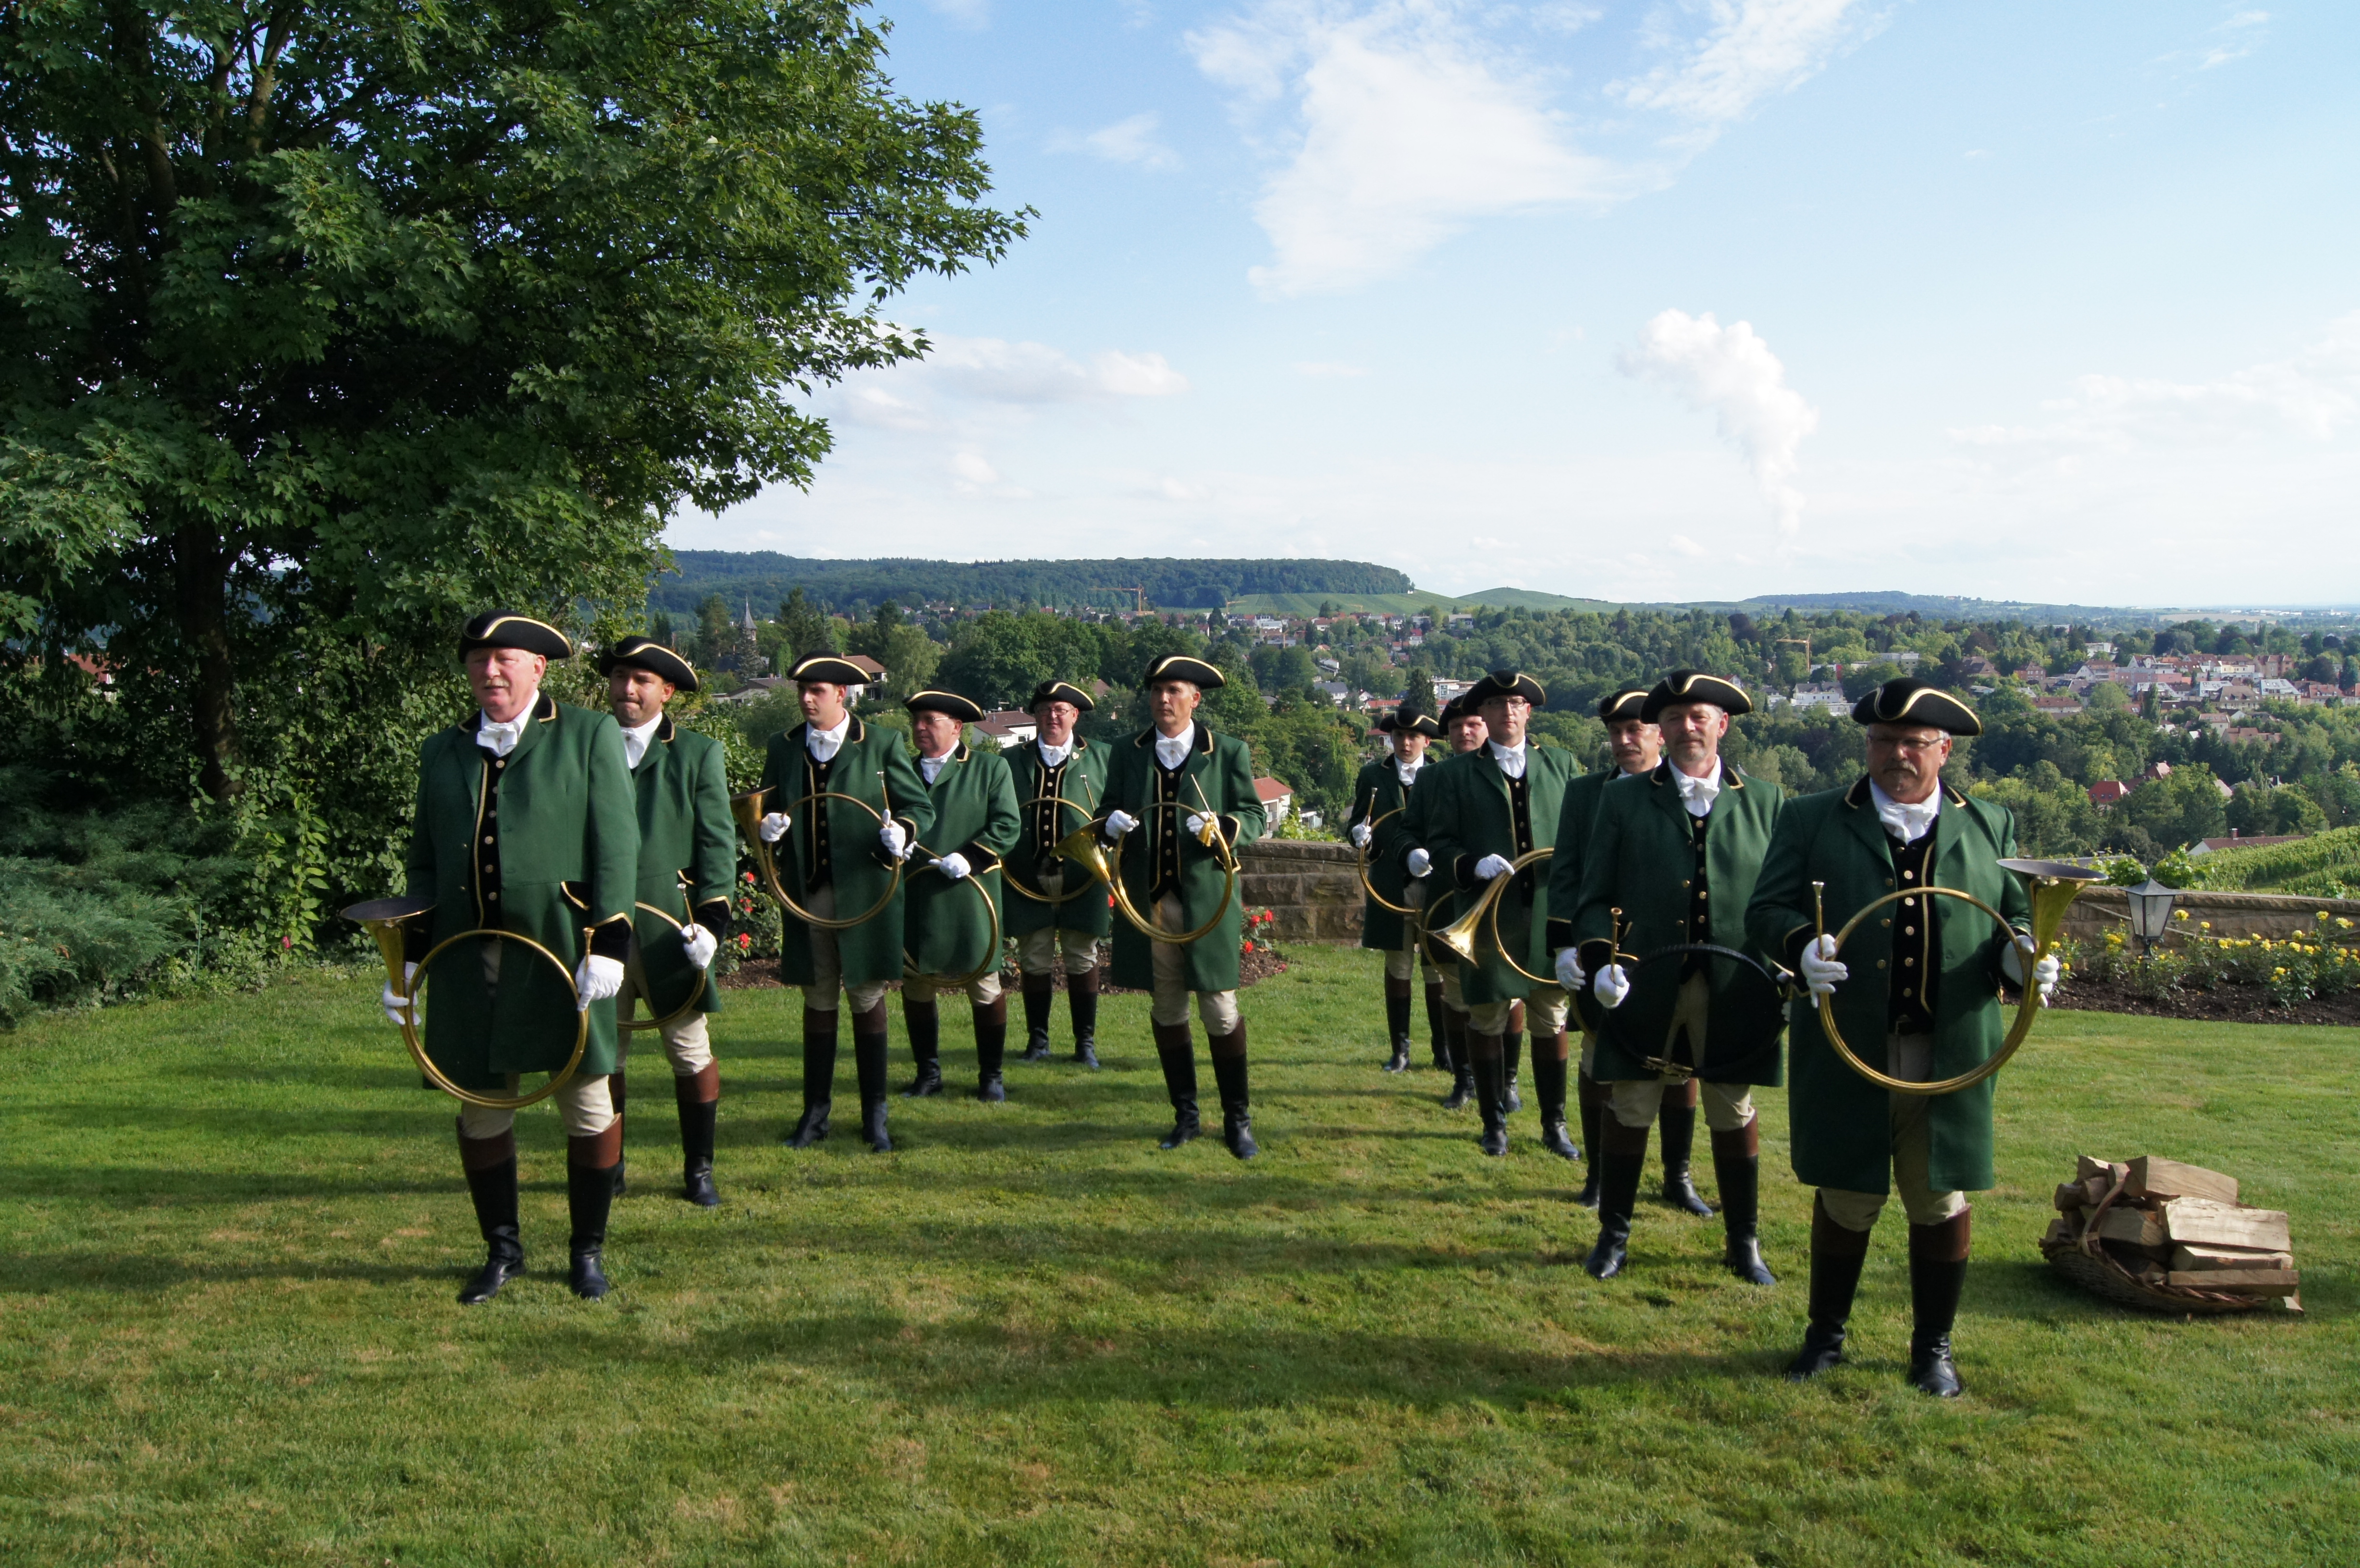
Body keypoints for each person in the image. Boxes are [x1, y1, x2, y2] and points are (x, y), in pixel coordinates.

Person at [1748, 677, 2055, 1397]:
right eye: (1884, 742)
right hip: (1846, 1039)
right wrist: (1803, 950)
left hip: (1949, 1049)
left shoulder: (1990, 826)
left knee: (1938, 1197)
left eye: (1914, 743)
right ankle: (1825, 1339)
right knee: (1849, 1193)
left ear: (1944, 751)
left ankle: (1933, 1350)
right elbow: (1766, 911)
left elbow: (2012, 919)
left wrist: (2022, 958)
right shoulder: (1812, 818)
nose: (1897, 756)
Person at [386, 611, 636, 1302]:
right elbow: (426, 865)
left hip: (563, 955)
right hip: (468, 962)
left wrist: (610, 941)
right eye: (477, 661)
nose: (489, 672)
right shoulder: (443, 750)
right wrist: (408, 960)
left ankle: (587, 1251)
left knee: (589, 1107)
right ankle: (503, 1251)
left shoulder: (586, 736)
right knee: (480, 1109)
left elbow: (616, 845)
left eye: (504, 660)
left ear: (538, 668)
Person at [1571, 671, 1786, 1285]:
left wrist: (1788, 966)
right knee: (1631, 1102)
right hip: (1644, 982)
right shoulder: (1622, 799)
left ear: (1722, 725)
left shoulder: (1767, 802)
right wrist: (1599, 958)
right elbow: (1593, 897)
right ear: (1660, 730)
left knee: (1732, 1107)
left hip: (1736, 985)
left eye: (1699, 716)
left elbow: (1780, 901)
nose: (1686, 727)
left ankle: (1742, 1242)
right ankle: (1613, 1235)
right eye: (1673, 718)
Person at [756, 656, 933, 1152]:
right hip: (807, 894)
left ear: (843, 694)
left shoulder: (880, 744)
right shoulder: (784, 747)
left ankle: (875, 1113)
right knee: (818, 999)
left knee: (867, 997)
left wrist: (902, 831)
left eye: (817, 691)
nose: (807, 700)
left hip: (865, 895)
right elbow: (766, 806)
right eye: (802, 691)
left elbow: (917, 806)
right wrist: (766, 827)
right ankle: (815, 1112)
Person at [1098, 654, 1267, 1157]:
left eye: (1174, 691)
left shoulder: (1227, 752)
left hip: (1207, 901)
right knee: (1167, 1007)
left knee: (1219, 1008)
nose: (1163, 699)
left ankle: (1238, 1120)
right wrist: (1109, 823)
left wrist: (1224, 829)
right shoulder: (1128, 752)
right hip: (1146, 902)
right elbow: (1109, 805)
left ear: (1195, 699)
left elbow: (1254, 816)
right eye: (1156, 691)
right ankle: (1186, 1116)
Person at [1410, 671, 1583, 1158]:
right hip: (1485, 918)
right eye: (1496, 704)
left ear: (1528, 712)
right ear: (1480, 715)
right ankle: (1494, 1124)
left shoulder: (1562, 765)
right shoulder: (1451, 776)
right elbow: (1439, 842)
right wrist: (1468, 864)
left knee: (1550, 1020)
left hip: (1548, 914)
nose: (1507, 711)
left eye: (1516, 703)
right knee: (1485, 1019)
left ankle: (1555, 1126)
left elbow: (1578, 840)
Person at [1545, 687, 1701, 1203]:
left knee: (1682, 1066)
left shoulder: (1692, 791)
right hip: (1603, 955)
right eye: (1615, 732)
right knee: (1598, 1060)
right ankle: (1598, 1175)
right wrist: (1565, 947)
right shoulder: (1588, 793)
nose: (1623, 740)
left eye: (1634, 730)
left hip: (1674, 955)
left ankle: (1677, 1178)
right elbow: (1567, 875)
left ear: (1660, 733)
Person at [599, 635, 733, 1208]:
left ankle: (698, 1169)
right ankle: (609, 1166)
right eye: (620, 678)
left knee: (689, 1050)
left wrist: (711, 922)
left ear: (667, 691)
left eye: (643, 681)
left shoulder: (698, 753)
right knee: (605, 1055)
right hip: (596, 928)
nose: (627, 690)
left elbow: (717, 847)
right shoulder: (585, 745)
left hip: (669, 929)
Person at [898, 689, 1021, 1101]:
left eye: (929, 720)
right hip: (915, 896)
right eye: (916, 720)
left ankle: (991, 1076)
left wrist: (970, 856)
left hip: (971, 896)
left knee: (983, 985)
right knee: (916, 985)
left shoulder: (990, 768)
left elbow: (1007, 825)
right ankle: (928, 1074)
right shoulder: (900, 770)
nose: (919, 728)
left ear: (957, 727)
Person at [1004, 680, 1113, 1066]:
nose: (1053, 716)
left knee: (1082, 957)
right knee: (1034, 958)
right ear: (1035, 715)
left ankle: (1085, 1043)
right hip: (1026, 876)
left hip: (1082, 877)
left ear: (1075, 716)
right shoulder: (1011, 760)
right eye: (1046, 709)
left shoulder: (1102, 758)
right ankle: (1039, 1041)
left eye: (1061, 710)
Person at [1403, 694, 1493, 1108]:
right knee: (1455, 995)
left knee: (1504, 994)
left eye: (1473, 724)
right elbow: (1409, 830)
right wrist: (1411, 852)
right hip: (1448, 900)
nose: (1465, 733)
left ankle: (1506, 1082)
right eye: (1456, 728)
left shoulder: (1507, 774)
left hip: (1500, 904)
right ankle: (1464, 1079)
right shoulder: (1432, 778)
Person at [1347, 703, 1445, 1072]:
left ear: (1426, 741)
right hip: (1390, 882)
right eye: (1400, 736)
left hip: (1435, 884)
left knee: (1437, 968)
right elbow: (1359, 822)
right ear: (1392, 737)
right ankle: (1400, 1050)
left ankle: (1442, 1049)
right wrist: (1359, 835)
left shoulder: (1441, 774)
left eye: (1414, 736)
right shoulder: (1373, 774)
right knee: (1399, 965)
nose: (1406, 743)